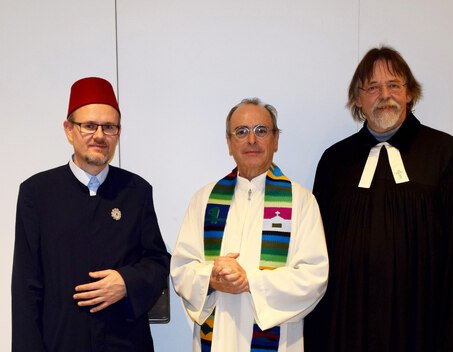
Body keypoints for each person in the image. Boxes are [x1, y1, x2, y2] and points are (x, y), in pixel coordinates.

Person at [304, 46, 453, 351]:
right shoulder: (334, 163)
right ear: (357, 99)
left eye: (394, 85)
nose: (385, 94)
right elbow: (315, 257)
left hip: (423, 327)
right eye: (373, 87)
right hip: (349, 328)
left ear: (409, 94)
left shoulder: (444, 154)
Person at [12, 77, 171, 352]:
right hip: (60, 342)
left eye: (109, 127)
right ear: (69, 130)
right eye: (89, 126)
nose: (99, 136)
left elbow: (158, 262)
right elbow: (26, 289)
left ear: (118, 133)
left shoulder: (137, 191)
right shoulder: (36, 194)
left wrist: (127, 282)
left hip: (126, 343)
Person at [171, 98, 328, 352]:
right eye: (241, 132)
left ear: (276, 140)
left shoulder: (301, 201)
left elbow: (314, 276)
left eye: (261, 131)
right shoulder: (205, 200)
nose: (251, 140)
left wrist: (250, 282)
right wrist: (210, 278)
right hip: (218, 336)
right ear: (229, 142)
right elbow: (181, 269)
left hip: (278, 343)